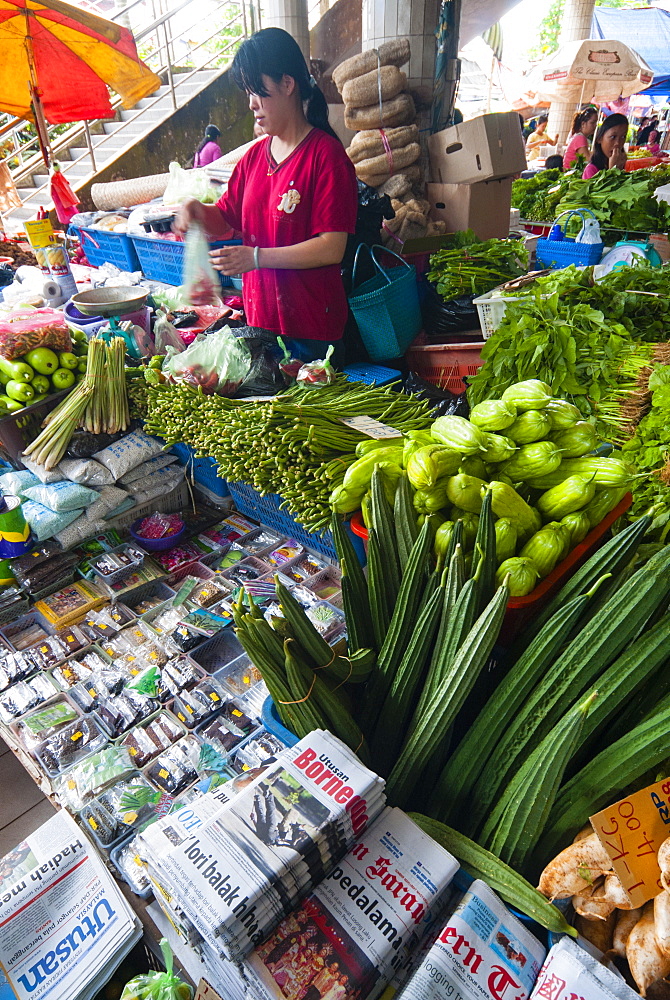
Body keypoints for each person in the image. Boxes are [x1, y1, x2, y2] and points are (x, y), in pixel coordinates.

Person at [175, 27, 358, 362]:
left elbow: (332, 247)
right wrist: (196, 210)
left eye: (257, 90)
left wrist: (257, 258)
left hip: (311, 330)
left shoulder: (326, 157)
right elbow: (227, 218)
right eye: (247, 92)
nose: (251, 103)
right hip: (261, 324)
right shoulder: (253, 159)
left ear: (287, 84)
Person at [583, 113, 628, 179]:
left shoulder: (621, 164)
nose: (617, 143)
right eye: (613, 137)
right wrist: (613, 170)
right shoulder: (591, 170)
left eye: (623, 136)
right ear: (600, 139)